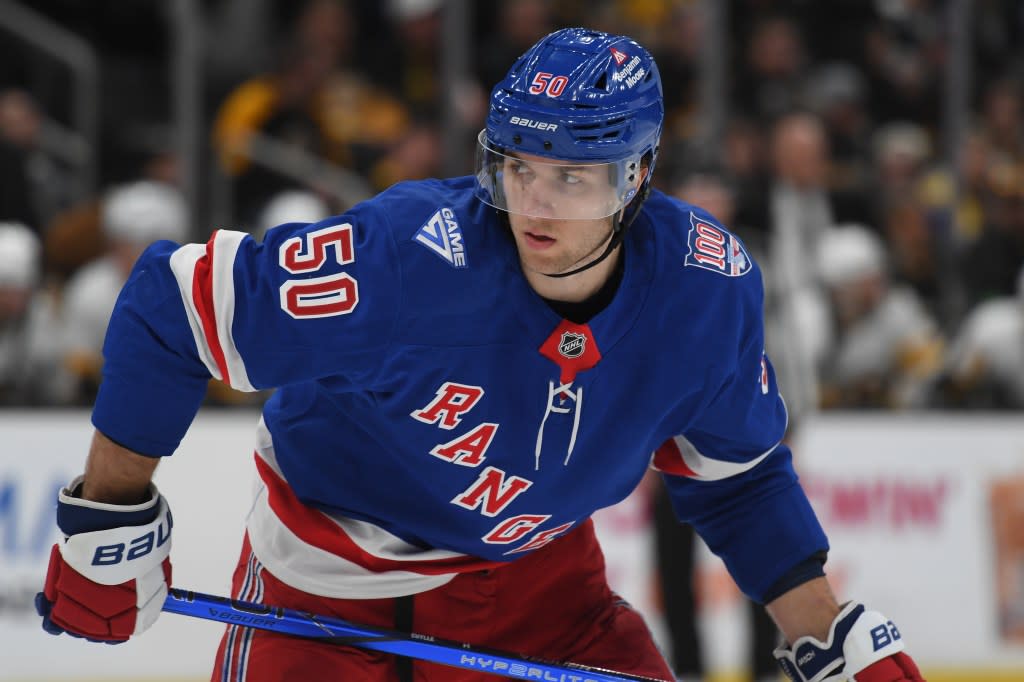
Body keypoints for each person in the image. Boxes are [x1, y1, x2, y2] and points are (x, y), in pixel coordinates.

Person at [35, 28, 924, 682]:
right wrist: (108, 522)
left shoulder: (705, 290)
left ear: (640, 177)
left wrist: (826, 635)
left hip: (545, 604)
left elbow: (737, 475)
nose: (534, 204)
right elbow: (169, 306)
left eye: (574, 177)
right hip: (326, 600)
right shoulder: (407, 258)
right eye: (518, 165)